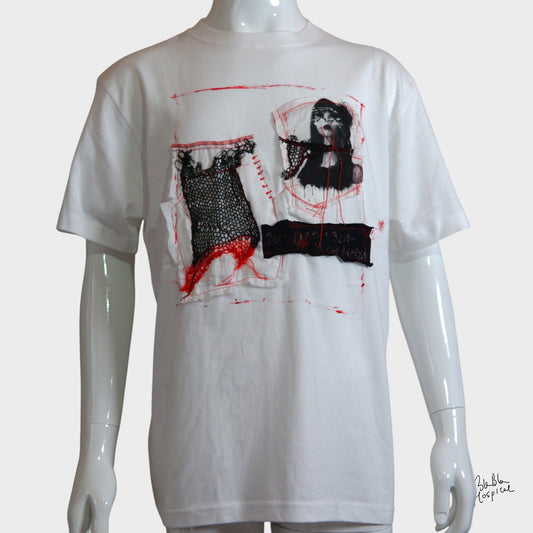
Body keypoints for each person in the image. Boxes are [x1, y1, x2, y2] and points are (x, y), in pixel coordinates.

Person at [57, 1, 476, 533]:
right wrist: (97, 448)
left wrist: (451, 430)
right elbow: (108, 259)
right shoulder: (136, 83)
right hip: (204, 449)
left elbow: (417, 254)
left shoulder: (378, 78)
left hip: (344, 449)